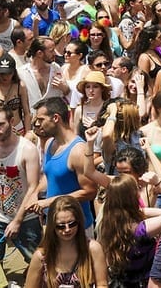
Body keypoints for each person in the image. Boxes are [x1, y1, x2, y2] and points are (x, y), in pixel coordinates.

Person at [0, 104, 42, 262]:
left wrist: (17, 221)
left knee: (36, 263)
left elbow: (33, 187)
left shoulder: (27, 149)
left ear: (11, 121)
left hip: (27, 216)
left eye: (0, 124)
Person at [98, 175, 161, 288]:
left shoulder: (107, 223)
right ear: (133, 196)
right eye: (137, 189)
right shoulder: (141, 230)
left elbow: (144, 211)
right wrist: (158, 182)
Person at [26, 96, 97, 230]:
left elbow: (90, 191)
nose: (36, 124)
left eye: (41, 120)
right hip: (53, 224)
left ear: (56, 118)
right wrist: (35, 194)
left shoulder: (78, 150)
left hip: (76, 227)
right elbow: (49, 176)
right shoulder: (49, 143)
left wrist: (48, 202)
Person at [24, 194, 110, 288]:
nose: (67, 229)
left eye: (72, 223)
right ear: (52, 226)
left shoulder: (93, 249)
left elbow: (102, 284)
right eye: (61, 226)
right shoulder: (41, 256)